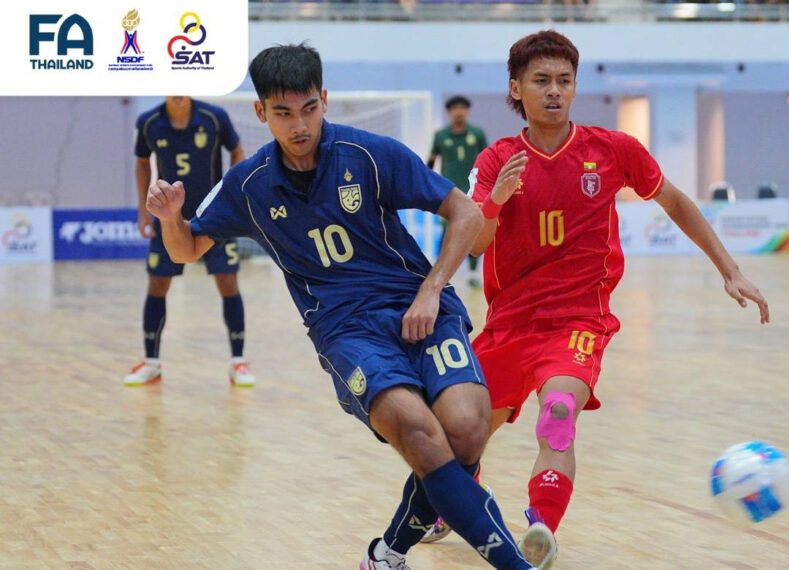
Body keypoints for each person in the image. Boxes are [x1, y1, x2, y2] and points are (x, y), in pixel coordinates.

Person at [145, 44, 541, 570]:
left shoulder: (371, 154)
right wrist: (172, 218)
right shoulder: (247, 185)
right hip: (346, 331)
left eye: (308, 108)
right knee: (420, 433)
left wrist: (430, 290)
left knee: (467, 431)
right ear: (261, 114)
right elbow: (186, 248)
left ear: (325, 100)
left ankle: (387, 553)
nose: (299, 124)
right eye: (283, 113)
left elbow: (465, 213)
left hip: (422, 306)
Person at [460, 30, 770, 568]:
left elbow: (673, 200)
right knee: (462, 435)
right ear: (517, 88)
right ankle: (458, 497)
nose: (555, 91)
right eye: (542, 81)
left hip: (580, 319)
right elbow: (477, 241)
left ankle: (541, 528)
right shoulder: (498, 160)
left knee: (558, 412)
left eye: (565, 81)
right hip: (509, 322)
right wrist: (498, 202)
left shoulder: (612, 150)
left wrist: (730, 269)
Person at [124, 96, 254, 388]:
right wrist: (144, 210)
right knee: (157, 285)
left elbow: (237, 152)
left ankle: (238, 361)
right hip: (169, 220)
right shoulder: (149, 123)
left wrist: (232, 195)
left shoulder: (214, 116)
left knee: (228, 282)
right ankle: (151, 362)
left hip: (214, 217)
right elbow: (142, 163)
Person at [427, 95, 488, 288]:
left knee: (474, 230)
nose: (459, 112)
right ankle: (441, 273)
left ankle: (472, 273)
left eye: (462, 108)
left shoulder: (477, 134)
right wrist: (428, 184)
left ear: (467, 111)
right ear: (449, 112)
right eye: (455, 108)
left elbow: (487, 159)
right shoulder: (441, 136)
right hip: (447, 191)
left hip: (472, 190)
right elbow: (431, 161)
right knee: (446, 231)